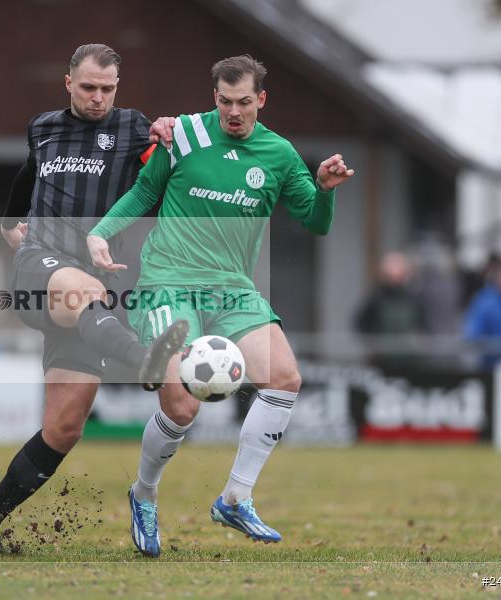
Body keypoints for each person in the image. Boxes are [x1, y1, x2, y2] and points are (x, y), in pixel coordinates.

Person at [87, 55, 354, 556]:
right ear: (215, 98)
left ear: (262, 100)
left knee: (285, 378)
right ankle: (144, 494)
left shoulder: (277, 153)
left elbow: (316, 222)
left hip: (232, 288)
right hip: (168, 282)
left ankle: (236, 497)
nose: (234, 112)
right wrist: (101, 233)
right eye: (225, 101)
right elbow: (145, 191)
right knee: (182, 404)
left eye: (244, 102)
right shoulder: (183, 135)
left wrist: (324, 191)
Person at [0, 44, 188, 553]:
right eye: (88, 87)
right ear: (67, 82)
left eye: (107, 89)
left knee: (63, 428)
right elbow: (27, 175)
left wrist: (169, 127)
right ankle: (144, 358)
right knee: (85, 291)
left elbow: (165, 162)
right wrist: (7, 225)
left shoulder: (133, 127)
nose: (98, 97)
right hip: (40, 267)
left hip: (93, 300)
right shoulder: (43, 127)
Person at [355, 251, 425, 370]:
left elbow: (423, 323)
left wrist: (419, 342)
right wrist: (374, 344)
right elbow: (360, 323)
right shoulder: (376, 297)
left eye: (400, 271)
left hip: (410, 361)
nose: (396, 276)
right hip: (382, 362)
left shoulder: (413, 297)